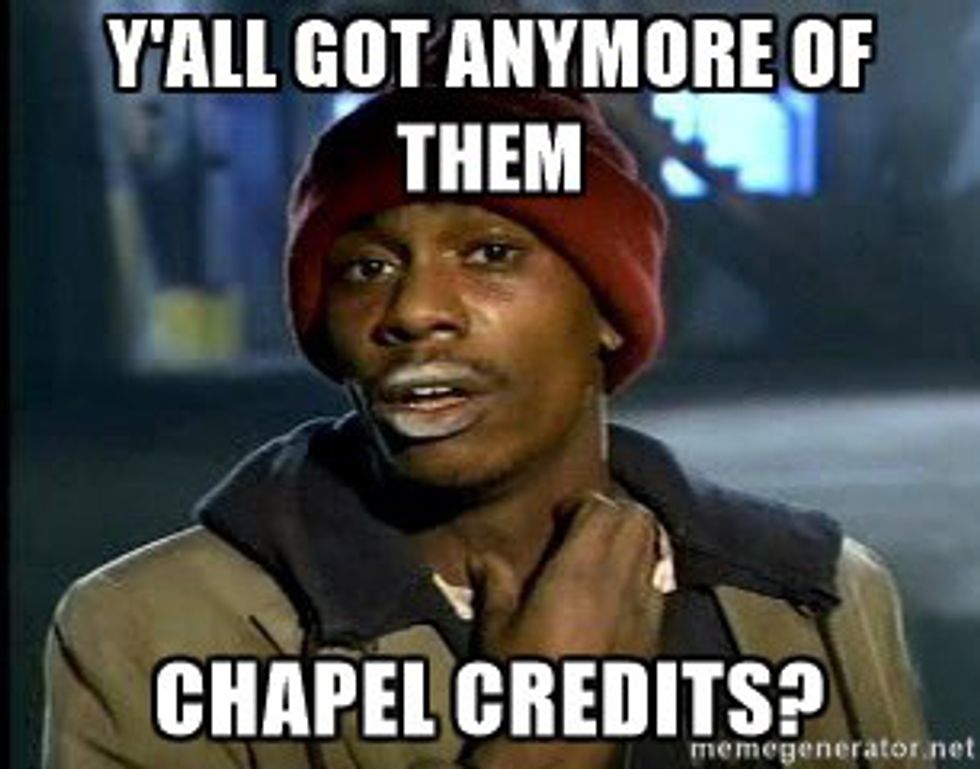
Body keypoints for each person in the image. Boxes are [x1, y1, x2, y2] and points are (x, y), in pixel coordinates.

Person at [43, 84, 931, 769]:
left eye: (492, 253)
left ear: (609, 311)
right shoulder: (148, 632)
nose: (413, 310)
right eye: (366, 267)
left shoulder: (820, 592)